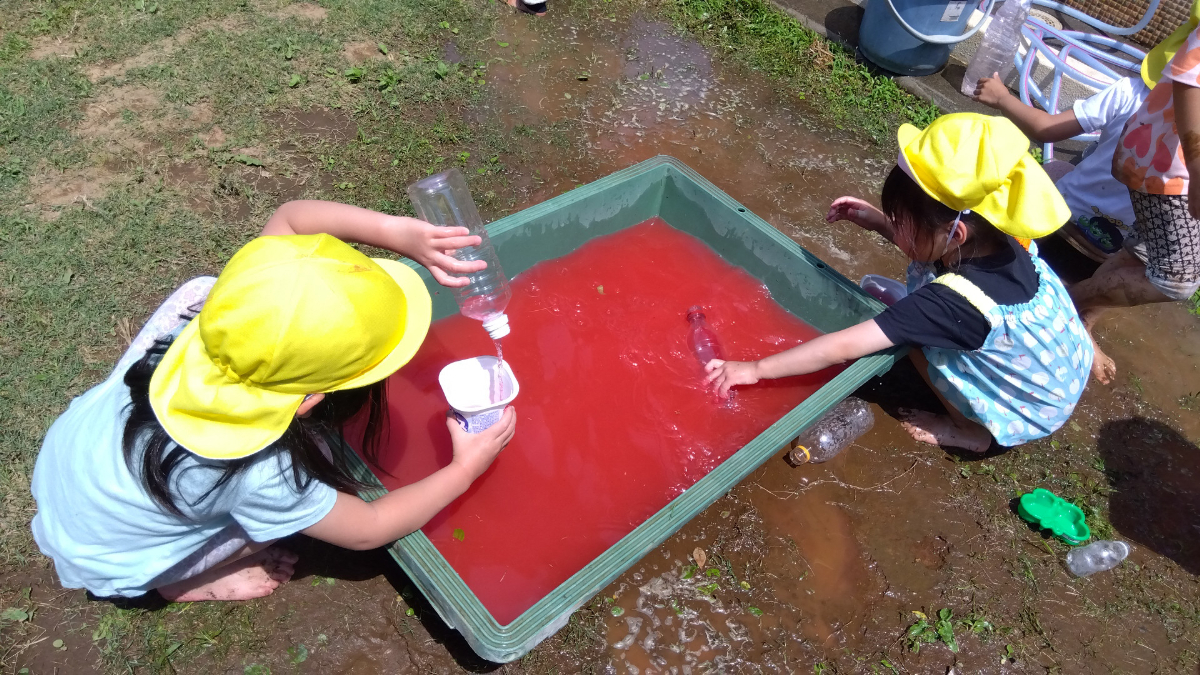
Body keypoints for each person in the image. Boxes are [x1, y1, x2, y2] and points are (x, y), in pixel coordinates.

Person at [30, 201, 517, 602]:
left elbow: (290, 219)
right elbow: (368, 527)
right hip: (112, 556)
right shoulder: (263, 472)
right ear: (308, 400)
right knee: (301, 489)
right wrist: (464, 468)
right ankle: (182, 584)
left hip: (75, 473)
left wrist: (398, 233)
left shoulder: (211, 308)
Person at [707, 113, 1093, 453]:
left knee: (907, 335)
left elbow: (843, 346)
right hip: (1054, 372)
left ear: (955, 234)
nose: (896, 229)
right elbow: (933, 246)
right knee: (909, 308)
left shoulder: (953, 305)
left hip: (1027, 404)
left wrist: (755, 369)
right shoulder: (1001, 238)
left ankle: (968, 430)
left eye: (902, 223)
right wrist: (879, 221)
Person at [1070, 7, 1200, 385]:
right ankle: (1069, 302)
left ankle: (1081, 319)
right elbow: (1191, 79)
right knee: (1176, 279)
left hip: (1175, 162)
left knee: (1143, 252)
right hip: (1171, 164)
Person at [972, 72, 1150, 260]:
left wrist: (1002, 98)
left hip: (1059, 212)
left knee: (1057, 169)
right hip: (1110, 251)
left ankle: (1008, 239)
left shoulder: (1132, 91)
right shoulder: (1184, 146)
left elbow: (1046, 128)